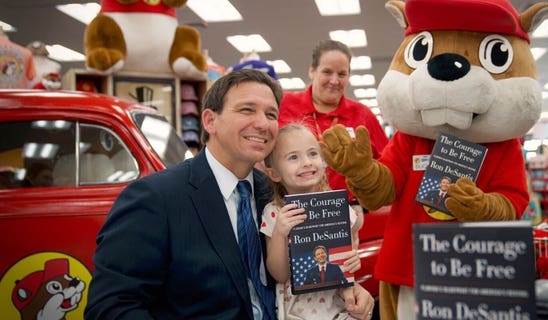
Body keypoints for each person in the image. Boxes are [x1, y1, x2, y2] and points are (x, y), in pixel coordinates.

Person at [84, 69, 373, 320]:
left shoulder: (277, 194)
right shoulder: (154, 198)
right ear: (210, 121)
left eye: (271, 114)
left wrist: (349, 288)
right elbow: (111, 306)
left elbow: (308, 269)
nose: (263, 123)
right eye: (247, 110)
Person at [260, 123, 371, 320]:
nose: (307, 163)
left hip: (339, 308)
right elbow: (279, 274)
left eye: (313, 153)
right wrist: (279, 233)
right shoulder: (275, 213)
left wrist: (353, 258)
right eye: (293, 157)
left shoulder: (338, 207)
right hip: (296, 311)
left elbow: (350, 246)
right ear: (274, 174)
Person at [277, 40, 389, 200]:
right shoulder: (285, 104)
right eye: (327, 72)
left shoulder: (362, 114)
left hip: (349, 213)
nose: (335, 81)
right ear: (312, 71)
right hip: (291, 209)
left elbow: (387, 164)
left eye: (342, 74)